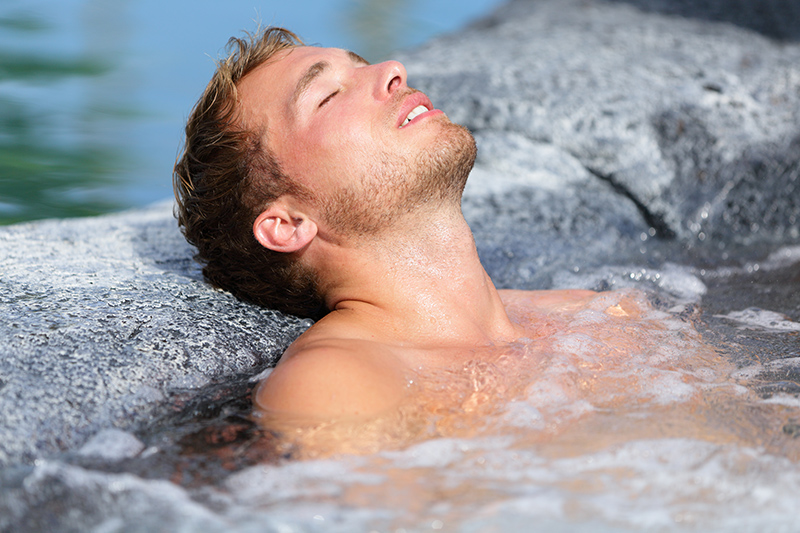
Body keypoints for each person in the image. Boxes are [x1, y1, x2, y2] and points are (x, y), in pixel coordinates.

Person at [173, 27, 682, 454]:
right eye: (326, 95)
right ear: (287, 224)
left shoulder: (604, 319)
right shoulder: (335, 384)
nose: (392, 69)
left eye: (361, 65)